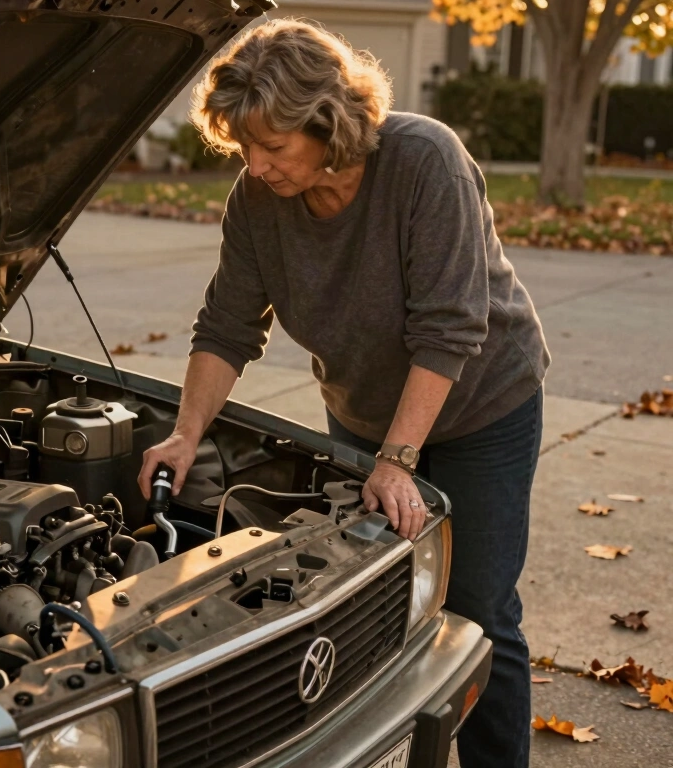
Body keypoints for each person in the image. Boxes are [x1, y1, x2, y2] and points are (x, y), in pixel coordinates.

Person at [137, 18, 550, 768]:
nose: (256, 166)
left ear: (328, 122)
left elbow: (451, 329)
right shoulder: (258, 201)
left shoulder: (426, 161)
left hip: (483, 406)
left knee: (478, 609)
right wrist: (185, 433)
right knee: (367, 610)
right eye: (243, 148)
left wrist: (398, 459)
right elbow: (227, 326)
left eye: (273, 147)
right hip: (361, 410)